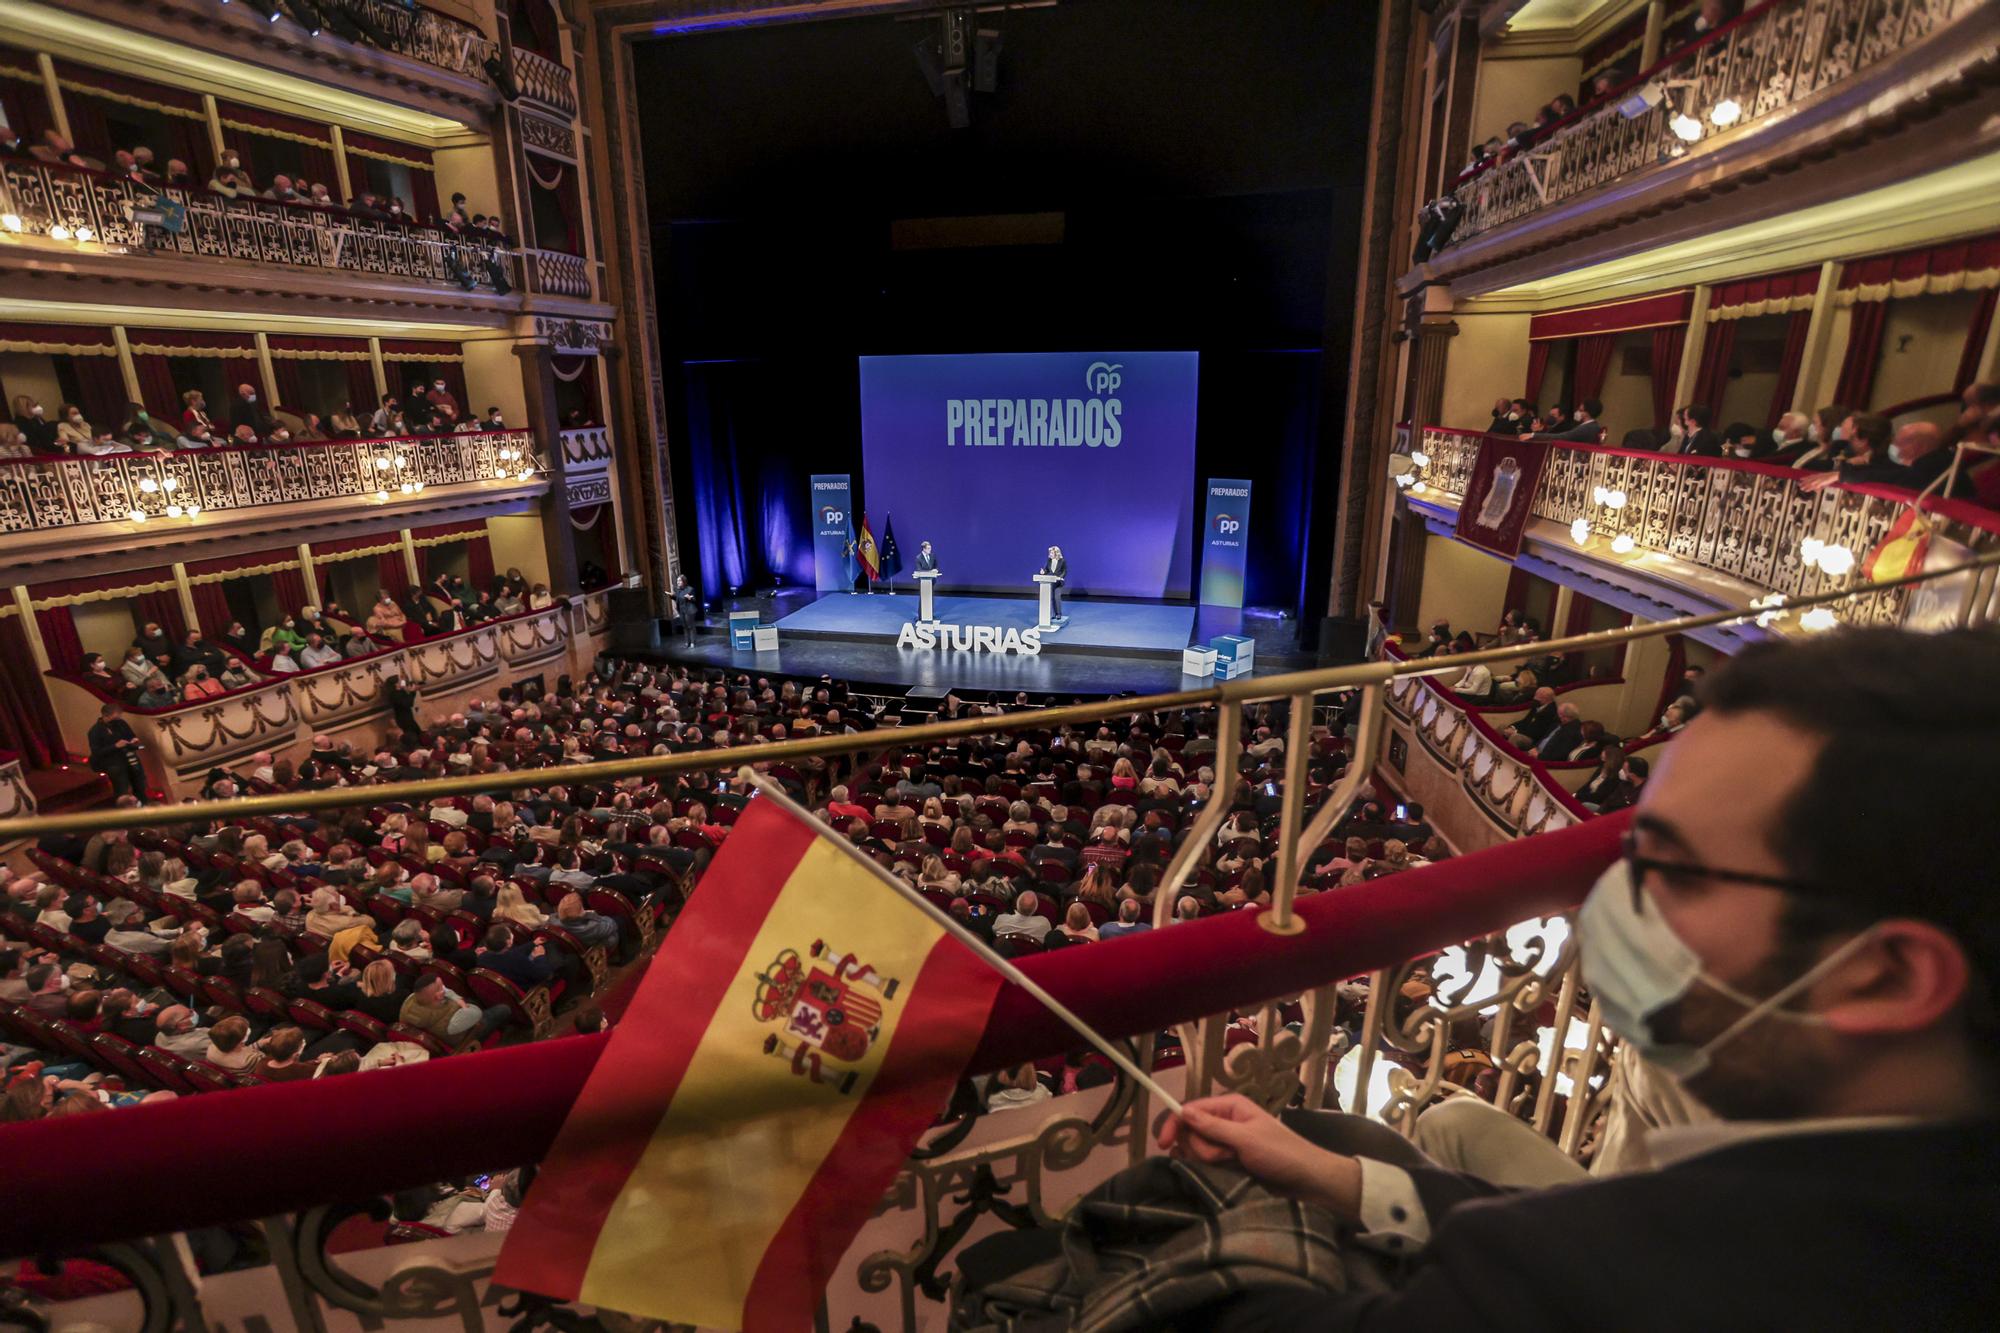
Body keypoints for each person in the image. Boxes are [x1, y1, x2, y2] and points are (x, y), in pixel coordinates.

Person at [1155, 627, 2000, 1329]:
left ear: (1888, 976)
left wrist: (1231, 1211)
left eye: (1679, 869)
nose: (1617, 899)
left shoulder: (1586, 1280)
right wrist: (1334, 1177)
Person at [87, 703, 146, 802]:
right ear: (105, 716)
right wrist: (115, 746)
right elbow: (96, 752)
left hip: (130, 758)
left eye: (119, 716)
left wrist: (134, 740)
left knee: (140, 785)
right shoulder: (95, 731)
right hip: (114, 764)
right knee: (122, 790)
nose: (118, 719)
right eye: (115, 717)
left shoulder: (121, 723)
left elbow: (130, 735)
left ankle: (144, 806)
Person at [1038, 545, 1067, 617]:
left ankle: (1058, 614)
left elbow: (1064, 571)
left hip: (1059, 583)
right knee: (1051, 598)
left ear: (1056, 553)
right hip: (1050, 582)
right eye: (1050, 552)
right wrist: (1043, 572)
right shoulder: (1049, 560)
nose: (1050, 554)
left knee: (1057, 597)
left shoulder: (1062, 561)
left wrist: (1060, 577)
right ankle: (1053, 613)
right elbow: (1046, 570)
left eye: (1051, 553)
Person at [672, 574, 699, 647]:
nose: (678, 582)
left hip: (689, 610)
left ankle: (693, 642)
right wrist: (672, 596)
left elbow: (694, 599)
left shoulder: (690, 589)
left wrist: (690, 598)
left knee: (690, 626)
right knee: (684, 627)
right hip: (682, 611)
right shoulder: (678, 590)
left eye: (679, 580)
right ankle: (687, 642)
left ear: (684, 581)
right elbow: (678, 599)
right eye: (677, 581)